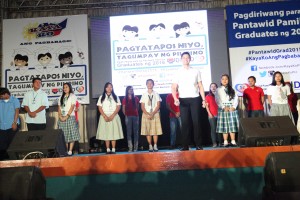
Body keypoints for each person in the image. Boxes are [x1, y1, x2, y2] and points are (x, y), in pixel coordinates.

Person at [172, 52, 206, 151]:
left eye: (187, 58)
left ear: (190, 59)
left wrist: (204, 99)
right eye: (184, 58)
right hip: (183, 99)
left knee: (197, 122)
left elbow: (200, 86)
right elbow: (173, 87)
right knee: (185, 123)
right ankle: (185, 145)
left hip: (195, 98)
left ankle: (198, 144)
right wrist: (175, 98)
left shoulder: (196, 71)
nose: (186, 59)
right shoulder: (178, 72)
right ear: (181, 59)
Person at [96, 82, 123, 154]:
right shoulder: (101, 97)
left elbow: (118, 107)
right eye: (108, 87)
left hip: (114, 116)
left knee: (113, 133)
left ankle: (113, 149)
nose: (109, 88)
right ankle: (108, 149)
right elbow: (100, 107)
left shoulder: (115, 96)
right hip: (104, 116)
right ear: (105, 88)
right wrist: (104, 116)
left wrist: (113, 115)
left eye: (111, 87)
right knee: (106, 133)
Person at [215, 74, 239, 147]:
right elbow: (217, 99)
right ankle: (225, 141)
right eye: (223, 79)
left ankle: (233, 141)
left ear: (228, 80)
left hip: (231, 108)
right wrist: (223, 107)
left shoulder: (233, 89)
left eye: (226, 79)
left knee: (232, 125)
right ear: (221, 80)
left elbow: (236, 99)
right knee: (224, 125)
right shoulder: (218, 89)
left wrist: (234, 107)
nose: (224, 80)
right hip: (223, 109)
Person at [57, 83, 81, 156]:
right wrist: (60, 116)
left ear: (69, 88)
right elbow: (59, 108)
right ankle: (65, 150)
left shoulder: (72, 96)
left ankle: (70, 150)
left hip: (70, 116)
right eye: (64, 87)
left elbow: (72, 107)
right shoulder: (61, 97)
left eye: (66, 87)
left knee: (71, 134)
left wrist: (67, 116)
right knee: (64, 135)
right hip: (62, 117)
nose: (65, 88)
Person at [140, 79, 163, 152]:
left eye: (151, 83)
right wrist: (147, 114)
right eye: (148, 83)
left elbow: (158, 105)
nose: (149, 84)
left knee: (155, 131)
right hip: (146, 114)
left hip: (155, 113)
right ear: (146, 85)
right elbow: (142, 106)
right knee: (148, 131)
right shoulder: (144, 94)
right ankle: (150, 145)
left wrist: (152, 113)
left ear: (153, 84)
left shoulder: (156, 94)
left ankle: (155, 145)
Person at [0, 88, 20, 160]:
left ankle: (13, 160)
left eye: (1, 96)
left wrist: (14, 123)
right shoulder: (0, 102)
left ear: (6, 94)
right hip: (2, 127)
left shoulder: (15, 100)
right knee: (2, 146)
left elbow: (16, 112)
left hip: (11, 126)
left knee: (12, 145)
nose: (1, 97)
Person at [122, 86, 140, 152]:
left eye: (132, 89)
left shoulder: (136, 98)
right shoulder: (124, 99)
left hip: (135, 116)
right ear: (127, 90)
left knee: (136, 132)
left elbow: (137, 107)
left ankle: (136, 147)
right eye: (129, 89)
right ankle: (130, 147)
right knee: (129, 132)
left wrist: (135, 113)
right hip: (128, 116)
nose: (131, 90)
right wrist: (126, 115)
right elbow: (123, 108)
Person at [205, 83, 220, 147]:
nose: (213, 88)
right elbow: (206, 106)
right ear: (210, 88)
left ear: (217, 87)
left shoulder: (219, 95)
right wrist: (209, 113)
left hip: (219, 114)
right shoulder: (208, 96)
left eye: (214, 86)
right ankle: (214, 143)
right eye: (212, 87)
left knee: (220, 129)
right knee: (213, 129)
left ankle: (220, 142)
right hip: (212, 115)